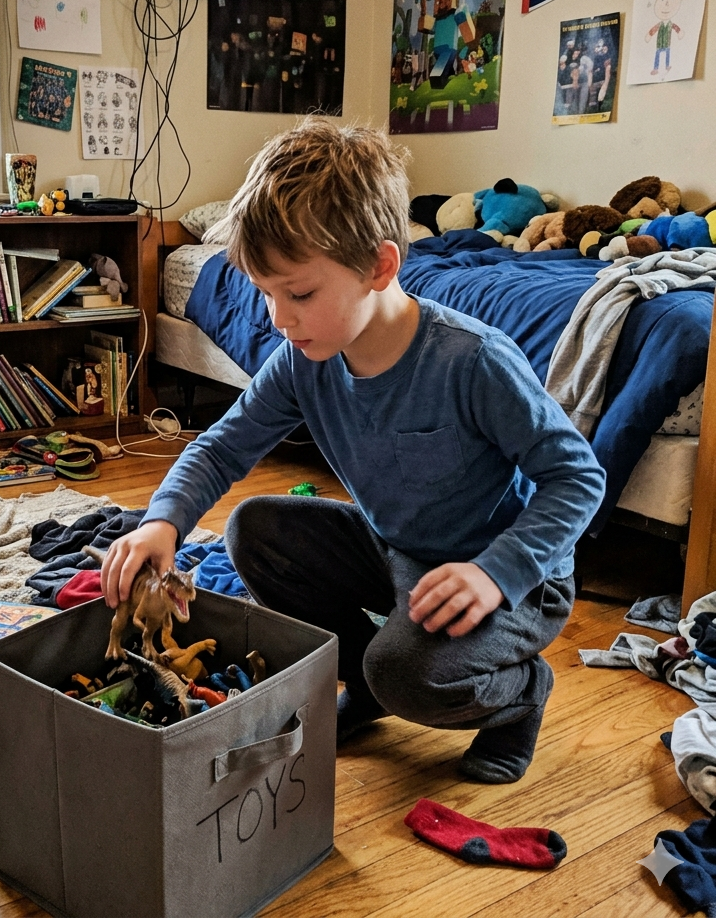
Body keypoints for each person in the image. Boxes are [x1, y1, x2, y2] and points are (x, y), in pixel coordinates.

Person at [101, 118, 606, 784]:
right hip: (401, 554)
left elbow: (577, 478)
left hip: (512, 580)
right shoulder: (304, 358)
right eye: (265, 294)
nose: (280, 319)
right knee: (255, 527)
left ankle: (518, 697)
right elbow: (224, 447)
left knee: (406, 672)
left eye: (300, 294)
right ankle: (369, 682)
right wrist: (161, 520)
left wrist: (494, 573)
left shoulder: (472, 361)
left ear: (379, 266)